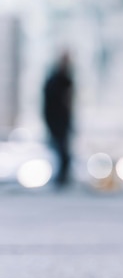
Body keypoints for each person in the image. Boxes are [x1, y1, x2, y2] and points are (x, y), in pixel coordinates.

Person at [43, 52, 74, 187]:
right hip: (56, 121)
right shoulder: (56, 81)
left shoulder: (64, 80)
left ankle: (62, 179)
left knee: (63, 152)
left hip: (62, 121)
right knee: (60, 151)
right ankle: (61, 179)